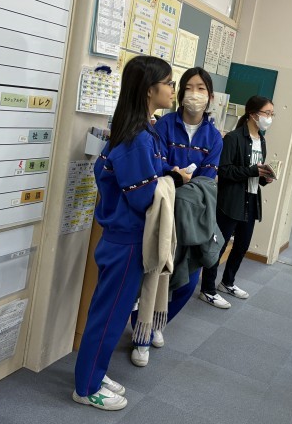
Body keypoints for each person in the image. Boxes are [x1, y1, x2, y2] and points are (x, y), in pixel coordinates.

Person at [73, 56, 190, 411]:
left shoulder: (142, 130)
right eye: (168, 83)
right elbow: (142, 196)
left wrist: (167, 174)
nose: (173, 89)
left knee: (109, 312)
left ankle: (94, 373)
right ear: (149, 90)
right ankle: (86, 386)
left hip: (125, 238)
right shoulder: (137, 137)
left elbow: (150, 173)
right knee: (108, 316)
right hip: (126, 241)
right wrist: (173, 180)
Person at [130, 67, 223, 366]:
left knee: (187, 279)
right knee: (152, 275)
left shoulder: (214, 137)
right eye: (189, 87)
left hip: (192, 218)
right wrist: (175, 177)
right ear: (180, 93)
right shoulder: (163, 126)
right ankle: (141, 336)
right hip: (160, 214)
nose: (195, 94)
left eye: (201, 88)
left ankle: (158, 323)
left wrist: (176, 179)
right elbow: (155, 168)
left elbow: (206, 182)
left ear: (210, 97)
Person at [199, 95, 275, 308]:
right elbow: (224, 171)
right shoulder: (233, 138)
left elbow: (255, 172)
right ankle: (208, 289)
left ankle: (227, 282)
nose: (269, 118)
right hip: (231, 200)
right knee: (219, 246)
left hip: (251, 199)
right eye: (267, 113)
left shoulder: (262, 140)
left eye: (272, 114)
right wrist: (252, 171)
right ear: (253, 114)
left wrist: (264, 178)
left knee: (242, 245)